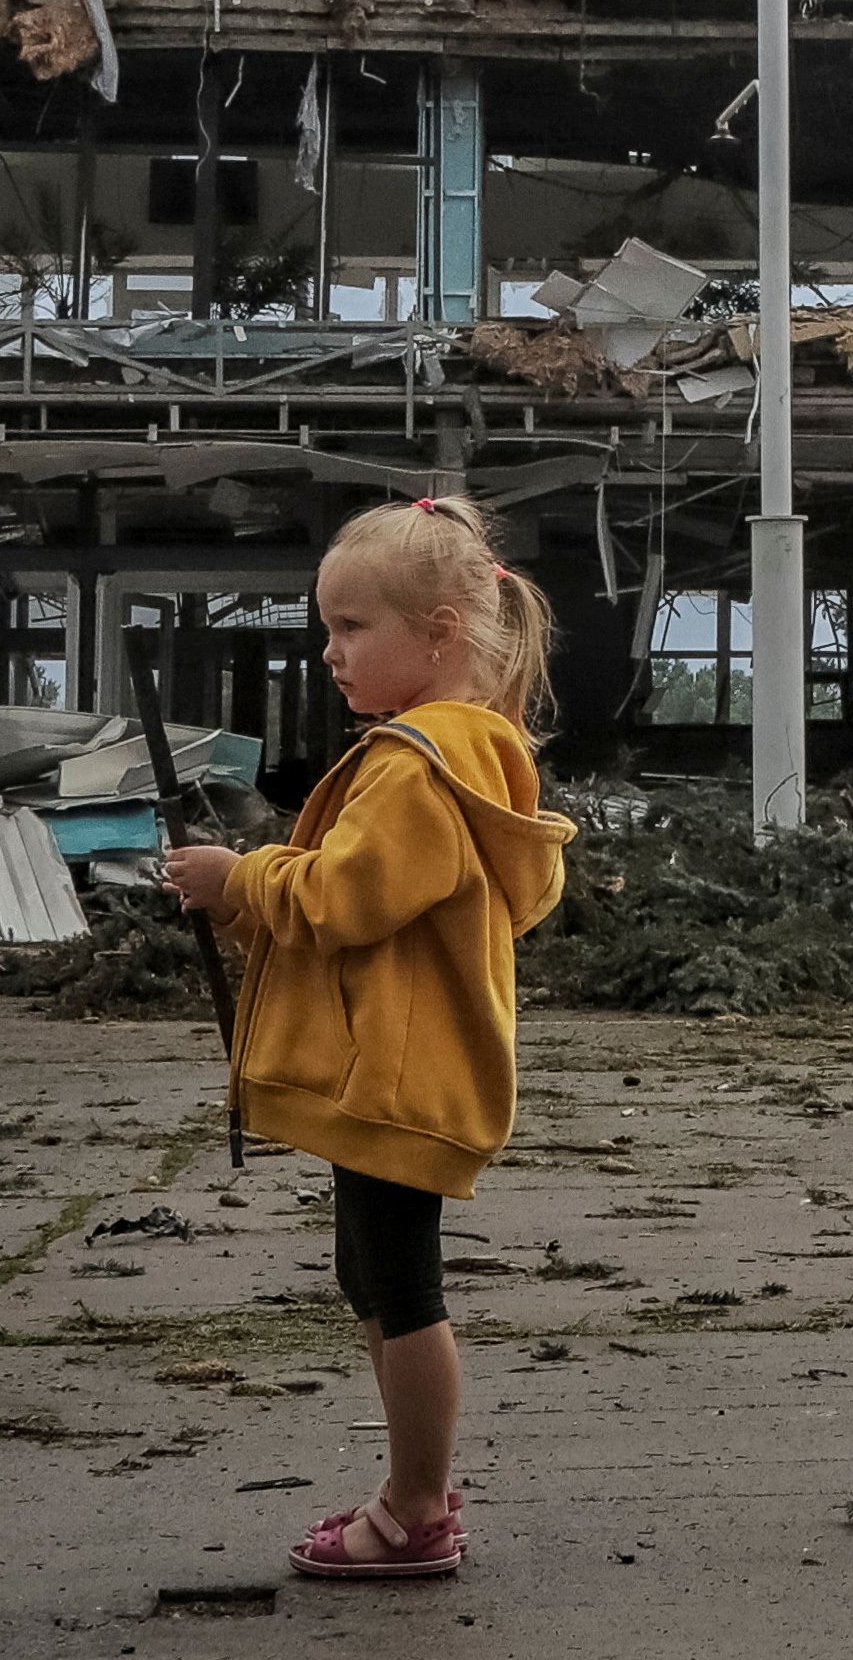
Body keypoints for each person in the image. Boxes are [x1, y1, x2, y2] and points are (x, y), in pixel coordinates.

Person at [163, 496, 573, 1583]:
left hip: (399, 1078)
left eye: (351, 629)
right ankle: (414, 1486)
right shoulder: (461, 752)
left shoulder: (418, 762)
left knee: (402, 1293)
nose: (330, 652)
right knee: (379, 1286)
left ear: (438, 630)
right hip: (406, 1068)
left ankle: (417, 1508)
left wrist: (235, 878)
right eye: (326, 627)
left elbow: (347, 898)